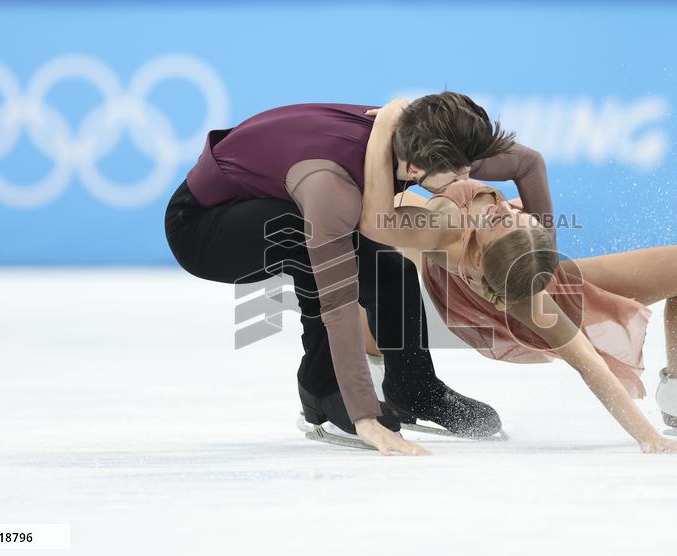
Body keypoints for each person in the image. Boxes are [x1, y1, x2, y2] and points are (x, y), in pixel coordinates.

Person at [358, 100, 677, 452]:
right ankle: (376, 369)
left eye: (511, 219)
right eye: (512, 219)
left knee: (373, 238)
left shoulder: (453, 224)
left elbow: (376, 218)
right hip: (525, 284)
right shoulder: (468, 240)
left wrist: (388, 124)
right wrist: (647, 437)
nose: (510, 213)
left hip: (522, 275)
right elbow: (591, 365)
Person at [165, 93, 555, 455]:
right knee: (308, 240)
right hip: (203, 228)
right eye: (457, 175)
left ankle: (414, 389)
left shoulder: (435, 139)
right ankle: (323, 392)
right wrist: (364, 415)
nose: (466, 180)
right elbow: (338, 301)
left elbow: (528, 163)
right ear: (417, 165)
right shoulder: (331, 186)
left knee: (393, 270)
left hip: (273, 193)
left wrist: (541, 260)